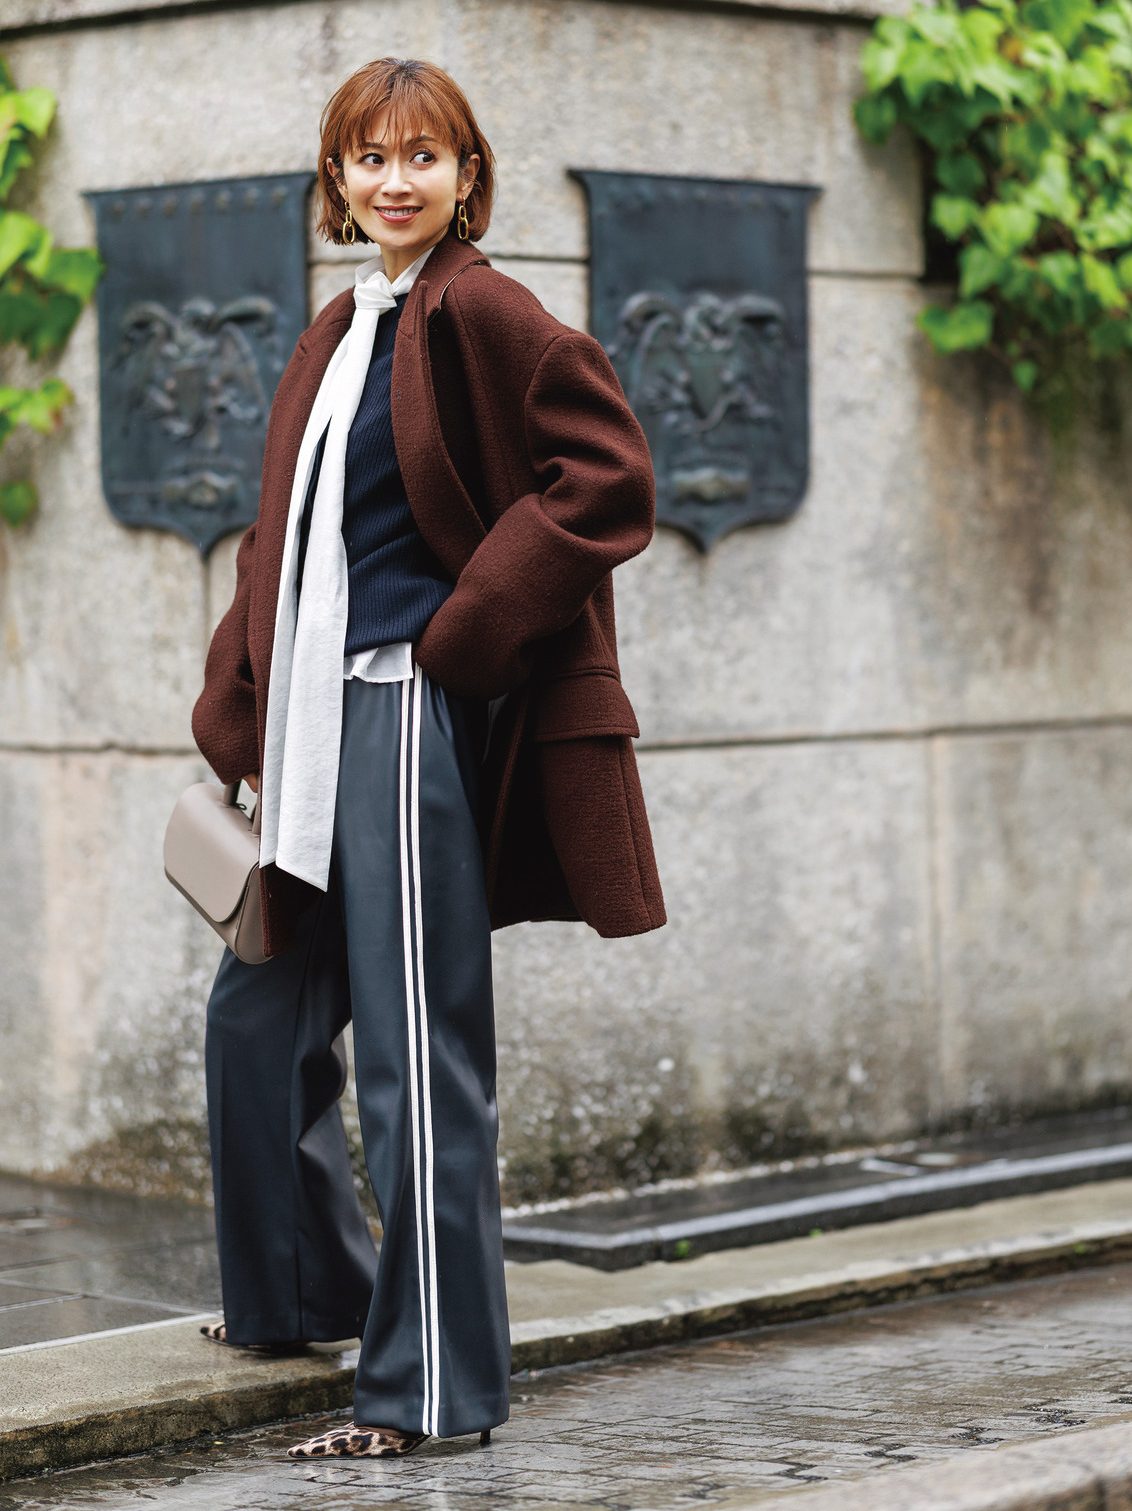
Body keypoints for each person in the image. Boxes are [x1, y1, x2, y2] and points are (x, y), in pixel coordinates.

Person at [190, 55, 665, 1463]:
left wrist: (467, 633)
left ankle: (433, 1390)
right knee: (257, 1020)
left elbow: (608, 476)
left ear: (468, 177)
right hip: (313, 723)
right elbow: (284, 537)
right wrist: (236, 707)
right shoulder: (343, 325)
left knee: (414, 1054)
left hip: (405, 719)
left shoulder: (484, 310)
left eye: (423, 156)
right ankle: (302, 1295)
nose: (395, 180)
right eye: (370, 157)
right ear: (337, 180)